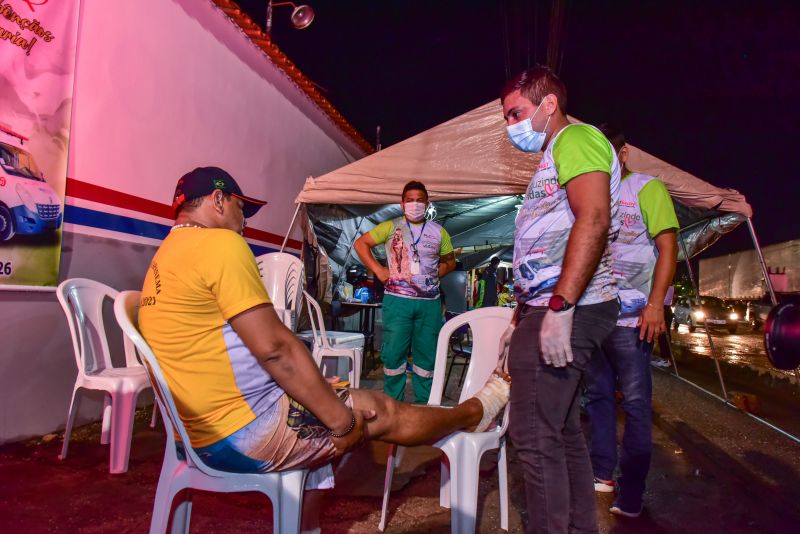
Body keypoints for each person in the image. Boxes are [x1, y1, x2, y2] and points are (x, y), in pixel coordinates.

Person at [138, 167, 510, 532]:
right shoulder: (220, 244)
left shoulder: (167, 255)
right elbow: (276, 350)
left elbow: (220, 349)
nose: (244, 219)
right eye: (241, 208)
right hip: (241, 434)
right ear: (218, 200)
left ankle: (305, 525)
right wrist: (342, 421)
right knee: (374, 409)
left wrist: (312, 389)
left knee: (329, 392)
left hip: (194, 433)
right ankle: (472, 411)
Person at [498, 66, 621, 534]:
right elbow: (542, 245)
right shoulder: (553, 155)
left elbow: (593, 218)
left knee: (531, 433)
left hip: (572, 303)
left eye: (516, 113)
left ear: (548, 104)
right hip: (548, 303)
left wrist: (560, 307)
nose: (511, 125)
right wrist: (519, 317)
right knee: (562, 427)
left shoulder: (576, 138)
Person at [583, 126, 678, 517]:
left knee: (637, 403)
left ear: (621, 154)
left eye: (608, 151)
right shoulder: (589, 193)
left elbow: (668, 246)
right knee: (599, 399)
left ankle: (632, 491)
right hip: (596, 315)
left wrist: (656, 304)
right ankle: (602, 473)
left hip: (634, 320)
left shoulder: (645, 188)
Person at [354, 180, 456, 403]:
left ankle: (424, 410)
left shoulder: (439, 232)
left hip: (429, 304)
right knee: (393, 357)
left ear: (427, 203)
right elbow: (361, 244)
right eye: (410, 200)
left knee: (426, 359)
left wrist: (437, 273)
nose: (415, 204)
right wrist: (379, 270)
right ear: (402, 204)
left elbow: (451, 261)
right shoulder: (391, 227)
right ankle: (393, 409)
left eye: (420, 200)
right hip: (398, 302)